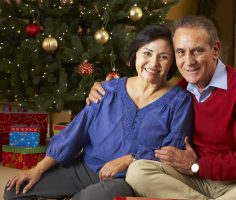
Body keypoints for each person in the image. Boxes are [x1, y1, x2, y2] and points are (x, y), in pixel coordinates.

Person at [86, 16, 236, 200]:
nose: (188, 61)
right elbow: (157, 140)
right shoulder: (180, 92)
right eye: (181, 52)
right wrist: (104, 88)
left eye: (197, 50)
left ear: (216, 50)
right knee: (138, 171)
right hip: (192, 182)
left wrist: (196, 165)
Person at [3, 24, 193, 200]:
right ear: (135, 54)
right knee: (14, 190)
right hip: (86, 168)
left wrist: (129, 160)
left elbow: (172, 153)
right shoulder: (107, 89)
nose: (154, 63)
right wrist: (37, 169)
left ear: (172, 64)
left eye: (164, 57)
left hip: (125, 180)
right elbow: (75, 133)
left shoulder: (179, 101)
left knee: (91, 198)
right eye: (147, 53)